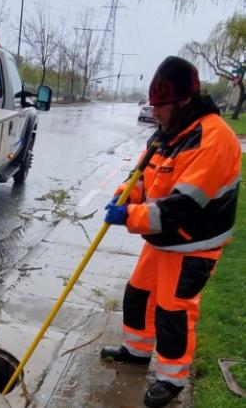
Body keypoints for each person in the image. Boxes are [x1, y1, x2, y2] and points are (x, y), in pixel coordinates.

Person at [101, 56, 241, 408]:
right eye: (154, 106)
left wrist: (129, 216)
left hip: (193, 242)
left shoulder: (214, 140)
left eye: (161, 107)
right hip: (164, 238)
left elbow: (183, 207)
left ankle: (171, 378)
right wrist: (126, 193)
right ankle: (135, 350)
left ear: (184, 101)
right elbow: (143, 176)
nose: (156, 113)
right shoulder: (168, 134)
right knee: (138, 294)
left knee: (173, 311)